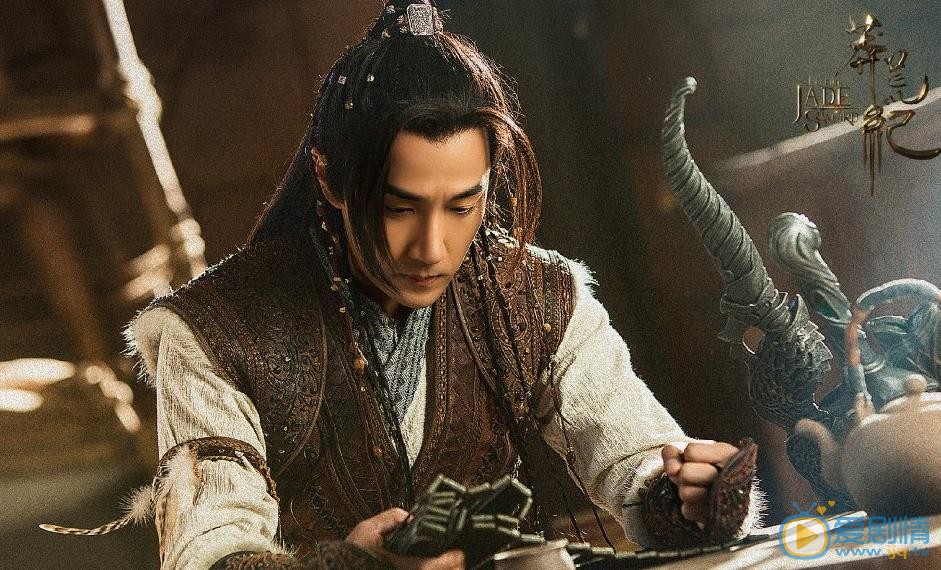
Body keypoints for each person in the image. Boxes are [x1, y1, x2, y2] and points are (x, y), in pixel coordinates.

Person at [123, 1, 761, 568]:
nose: (432, 249)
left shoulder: (535, 296)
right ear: (329, 177)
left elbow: (636, 460)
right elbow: (208, 551)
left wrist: (683, 494)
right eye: (398, 207)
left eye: (462, 205)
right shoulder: (216, 332)